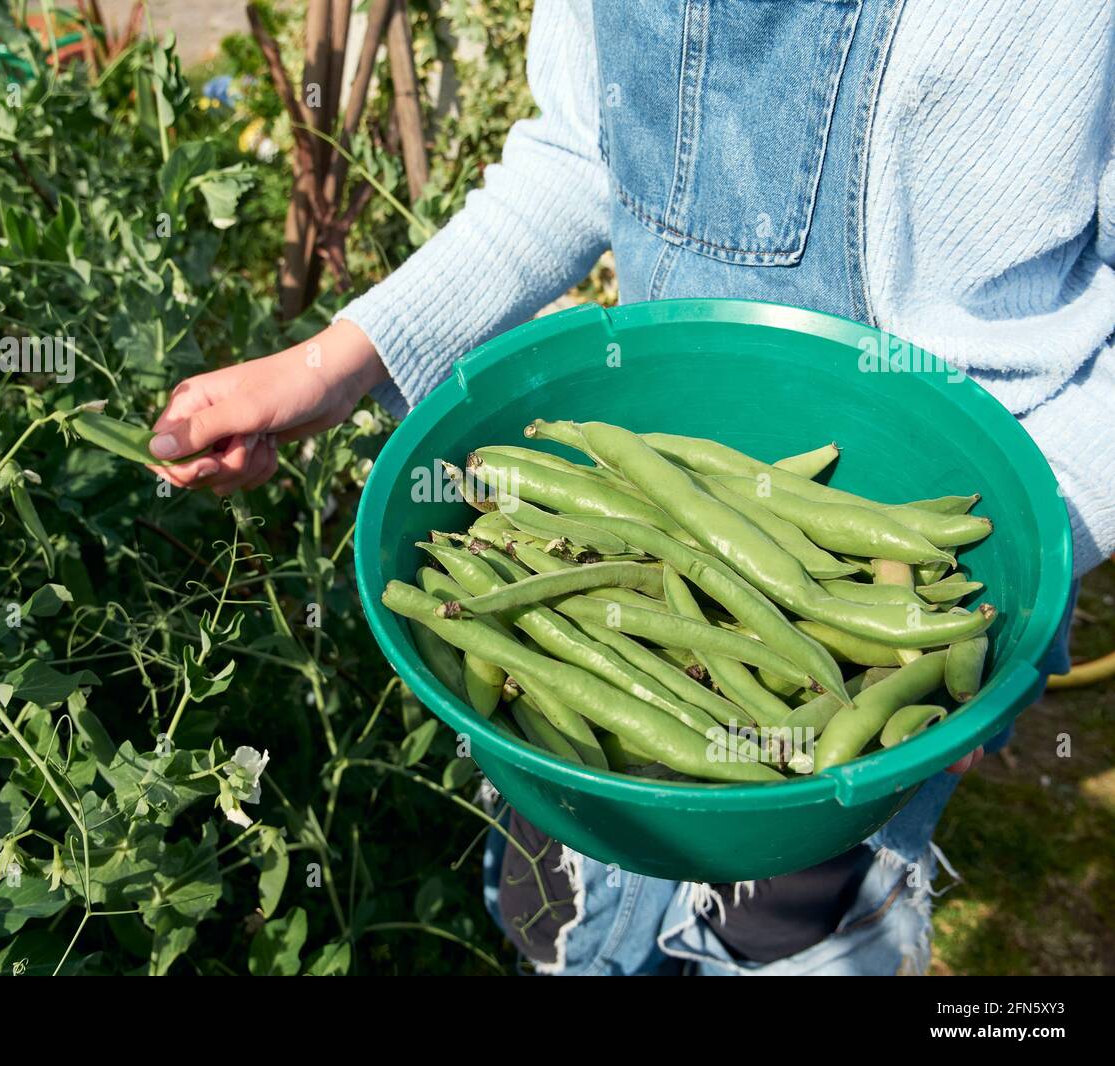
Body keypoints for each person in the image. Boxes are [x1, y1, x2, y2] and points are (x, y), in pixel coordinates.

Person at [148, 0, 1115, 973]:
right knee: (564, 916)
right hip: (626, 519)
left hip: (929, 551)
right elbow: (577, 151)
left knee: (788, 941)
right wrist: (340, 358)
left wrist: (1029, 543)